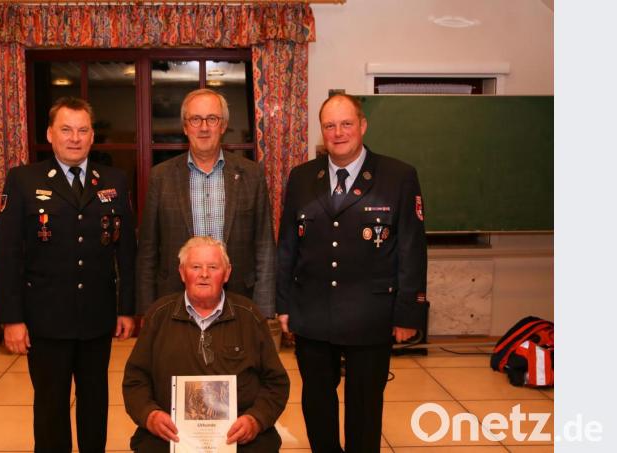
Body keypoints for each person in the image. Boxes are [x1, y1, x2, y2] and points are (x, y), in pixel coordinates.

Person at [276, 94, 428, 453]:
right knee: (316, 401)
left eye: (346, 124)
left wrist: (408, 313)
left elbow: (411, 249)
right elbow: (287, 246)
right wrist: (284, 305)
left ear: (362, 126)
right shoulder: (301, 178)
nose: (338, 132)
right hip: (311, 311)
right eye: (330, 125)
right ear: (322, 131)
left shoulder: (398, 176)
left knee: (365, 404)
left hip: (371, 313)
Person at [0, 97, 136, 453]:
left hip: (97, 316)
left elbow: (127, 251)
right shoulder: (24, 180)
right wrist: (12, 319)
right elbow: (8, 255)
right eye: (66, 130)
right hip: (45, 319)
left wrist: (127, 308)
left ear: (92, 137)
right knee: (50, 406)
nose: (75, 138)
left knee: (95, 403)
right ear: (50, 134)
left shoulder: (115, 180)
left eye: (83, 130)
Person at [123, 237, 289, 452]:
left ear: (227, 273)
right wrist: (150, 415)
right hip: (170, 435)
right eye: (195, 267)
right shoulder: (158, 315)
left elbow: (276, 383)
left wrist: (255, 420)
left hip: (239, 437)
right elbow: (135, 380)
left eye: (212, 267)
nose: (204, 274)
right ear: (182, 273)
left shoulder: (250, 316)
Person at [136, 88, 276, 318]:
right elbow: (148, 250)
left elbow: (265, 246)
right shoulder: (160, 176)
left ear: (223, 126)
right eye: (195, 119)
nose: (203, 127)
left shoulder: (251, 175)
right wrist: (146, 311)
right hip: (174, 302)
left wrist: (264, 309)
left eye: (212, 119)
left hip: (240, 300)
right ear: (185, 127)